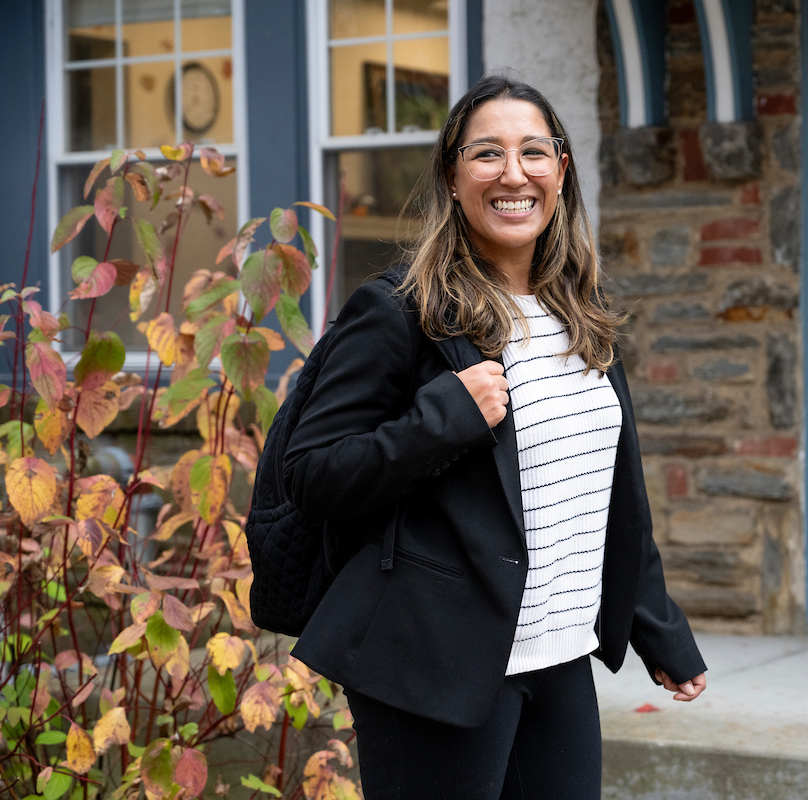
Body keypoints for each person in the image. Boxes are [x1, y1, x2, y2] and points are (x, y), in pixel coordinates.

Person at [282, 74, 707, 800]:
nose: (514, 174)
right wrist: (440, 419)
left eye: (534, 152)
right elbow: (313, 472)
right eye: (487, 154)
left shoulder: (583, 314)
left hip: (561, 655)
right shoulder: (399, 311)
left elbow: (607, 493)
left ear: (561, 170)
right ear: (453, 177)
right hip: (437, 662)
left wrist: (656, 627)